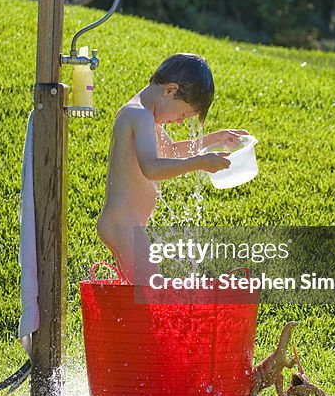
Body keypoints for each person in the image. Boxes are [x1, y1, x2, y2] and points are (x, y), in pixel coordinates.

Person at [97, 53, 247, 284]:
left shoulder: (146, 116)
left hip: (128, 223)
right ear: (170, 90)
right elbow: (152, 168)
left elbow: (172, 150)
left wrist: (215, 139)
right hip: (121, 224)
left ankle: (121, 321)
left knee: (140, 293)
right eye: (184, 113)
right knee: (151, 292)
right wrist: (200, 163)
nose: (180, 121)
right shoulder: (138, 114)